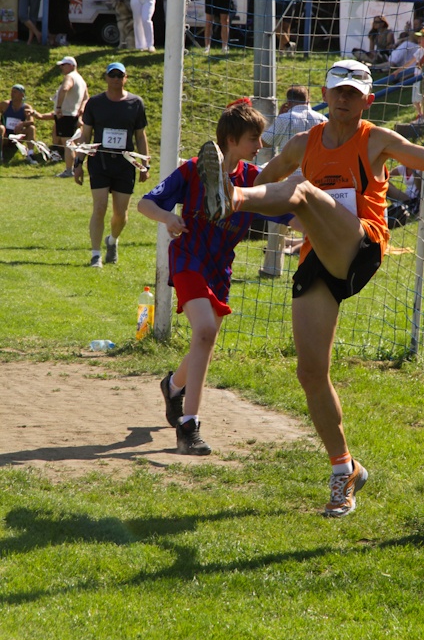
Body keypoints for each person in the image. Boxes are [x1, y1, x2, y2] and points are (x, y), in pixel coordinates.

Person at [196, 58, 424, 517]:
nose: (345, 98)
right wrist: (253, 198)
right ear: (325, 96)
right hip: (320, 258)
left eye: (354, 92)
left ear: (368, 99)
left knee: (301, 191)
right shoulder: (302, 143)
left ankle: (228, 200)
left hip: (363, 245)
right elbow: (264, 181)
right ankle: (344, 468)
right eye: (338, 90)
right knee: (310, 373)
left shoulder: (377, 139)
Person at [137, 102, 288, 455]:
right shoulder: (193, 170)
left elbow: (287, 212)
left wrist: (321, 230)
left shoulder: (254, 180)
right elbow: (145, 203)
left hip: (220, 268)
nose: (260, 145)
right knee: (204, 331)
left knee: (205, 339)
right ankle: (189, 426)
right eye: (253, 138)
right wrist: (167, 218)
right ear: (231, 140)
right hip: (188, 259)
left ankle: (173, 387)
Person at [74, 62, 150, 268]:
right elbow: (86, 135)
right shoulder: (95, 103)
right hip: (99, 162)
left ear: (125, 78)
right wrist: (78, 162)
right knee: (99, 207)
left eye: (119, 75)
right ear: (106, 77)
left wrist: (145, 164)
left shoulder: (136, 103)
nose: (116, 79)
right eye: (112, 75)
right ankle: (95, 255)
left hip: (125, 165)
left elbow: (140, 136)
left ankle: (113, 240)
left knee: (121, 214)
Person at [259, 86, 327, 277]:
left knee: (277, 224)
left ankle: (272, 268)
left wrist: (279, 117)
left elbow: (264, 142)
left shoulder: (285, 118)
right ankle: (312, 268)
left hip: (287, 178)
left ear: (288, 102)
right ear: (308, 99)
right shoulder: (323, 120)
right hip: (314, 180)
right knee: (312, 225)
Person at [52, 57, 89, 179]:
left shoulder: (69, 77)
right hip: (74, 115)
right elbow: (86, 98)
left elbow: (64, 89)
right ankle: (77, 167)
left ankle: (69, 170)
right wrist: (81, 110)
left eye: (64, 65)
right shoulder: (81, 80)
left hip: (66, 114)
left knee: (67, 142)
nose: (61, 67)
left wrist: (58, 107)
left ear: (72, 66)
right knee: (75, 143)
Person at [0, 84, 43, 165]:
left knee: (31, 128)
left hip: (18, 136)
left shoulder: (26, 107)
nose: (12, 94)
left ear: (22, 95)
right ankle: (0, 154)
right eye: (12, 92)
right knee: (1, 128)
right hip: (5, 136)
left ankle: (30, 154)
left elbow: (31, 121)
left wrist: (22, 124)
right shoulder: (5, 104)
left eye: (15, 92)